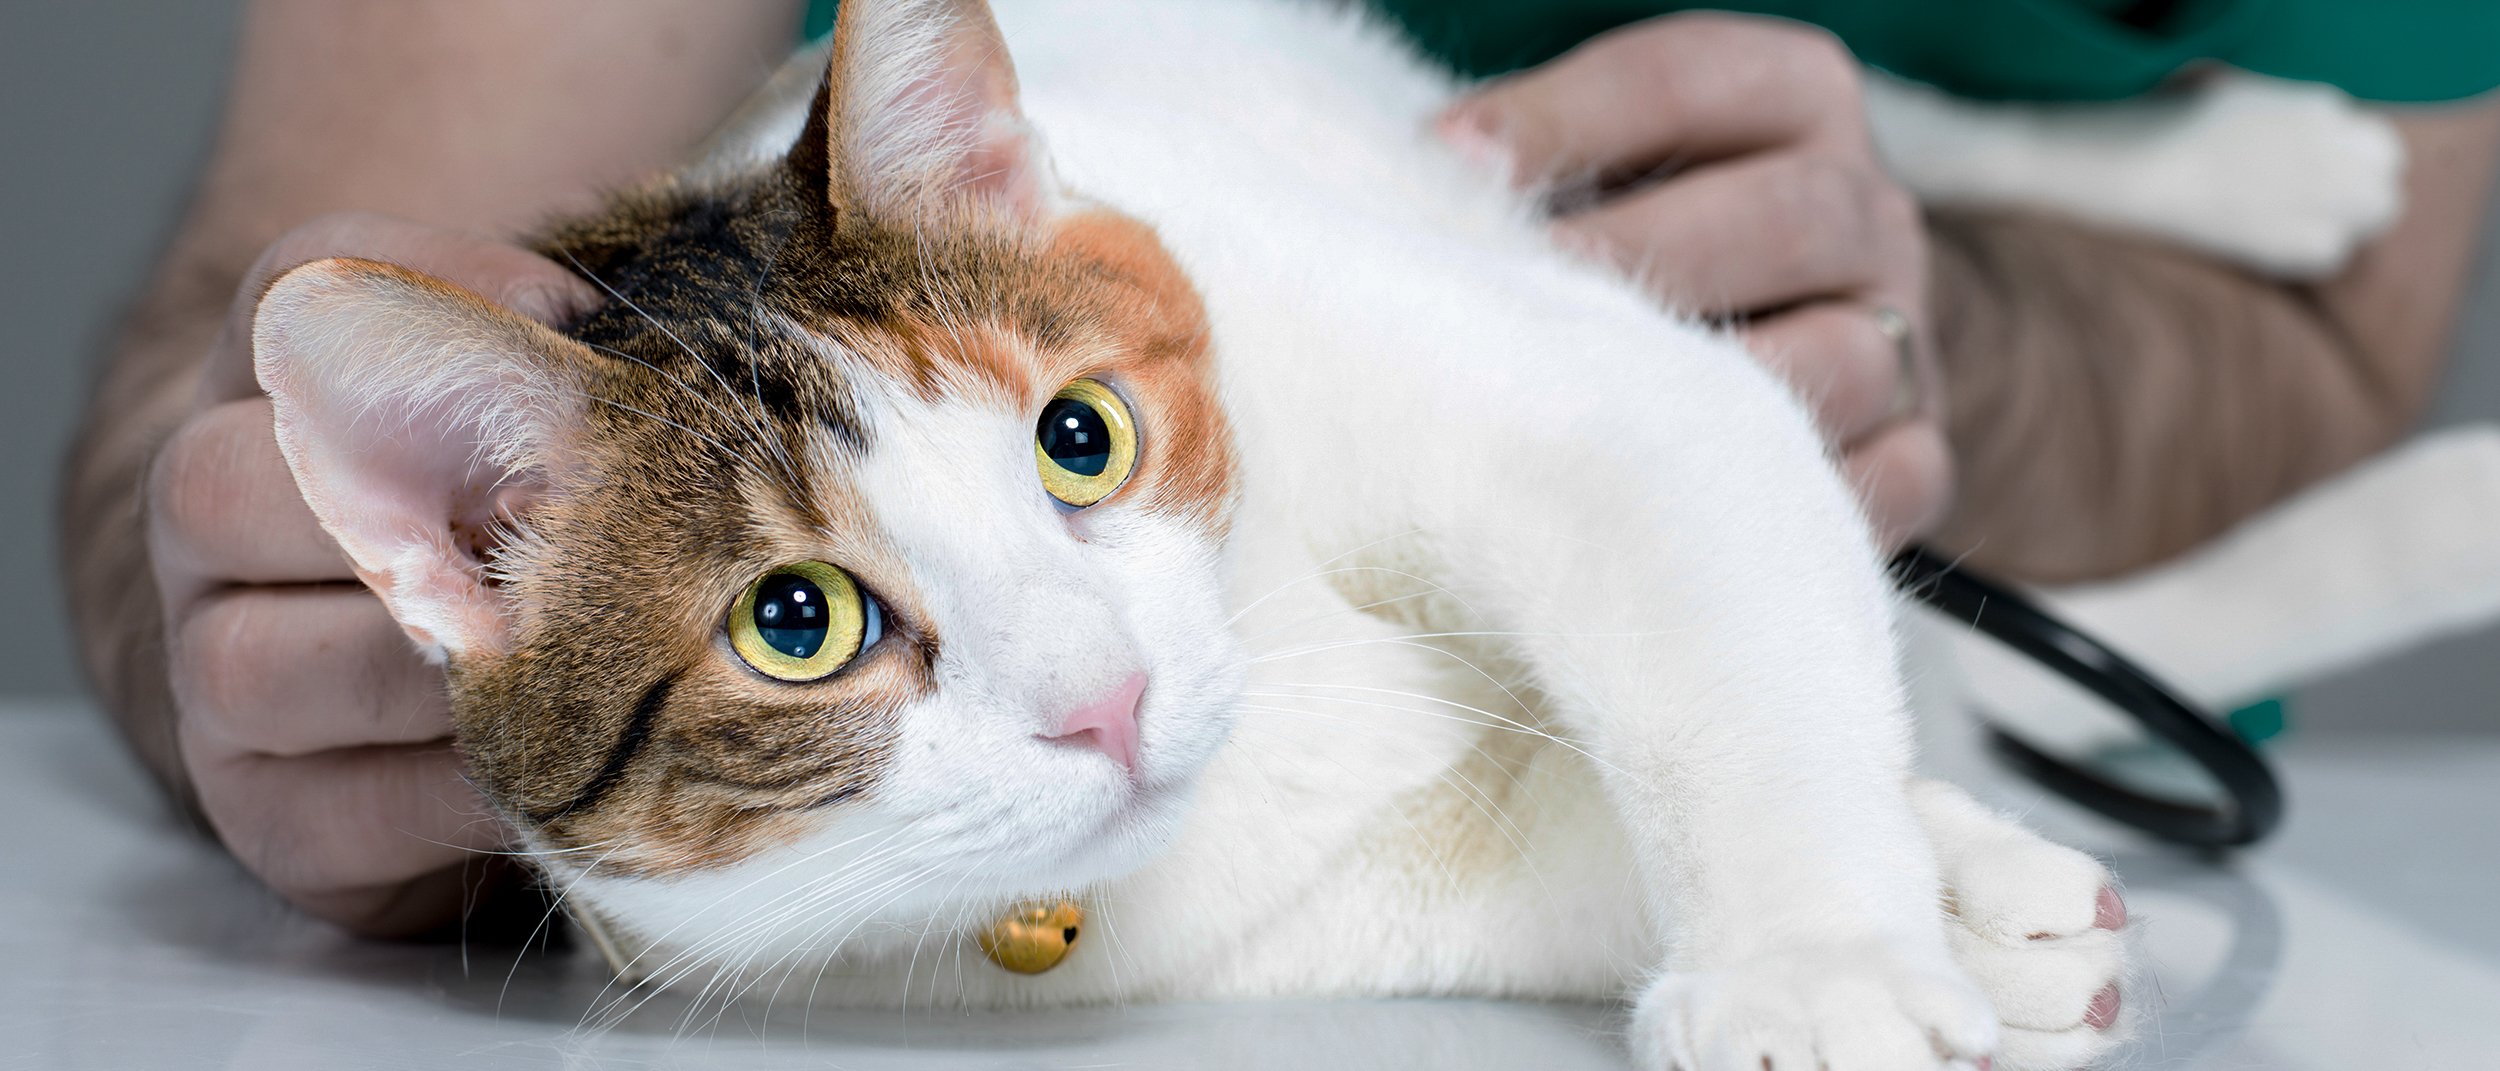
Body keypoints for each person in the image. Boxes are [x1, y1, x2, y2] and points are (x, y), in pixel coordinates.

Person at [61, 0, 2500, 938]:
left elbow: (2344, 311)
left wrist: (1931, 347)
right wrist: (265, 630)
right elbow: (219, 360)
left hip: (2099, 755)